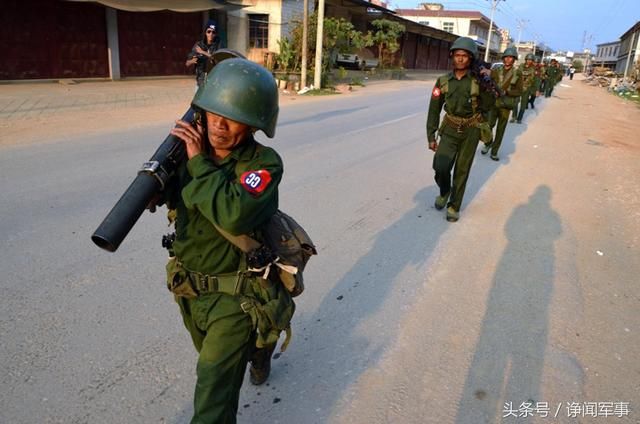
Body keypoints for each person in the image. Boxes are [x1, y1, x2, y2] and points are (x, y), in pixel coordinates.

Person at [159, 58, 294, 423]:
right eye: (213, 113)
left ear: (253, 123)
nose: (219, 125)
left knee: (212, 397)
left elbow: (233, 213)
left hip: (236, 298)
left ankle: (257, 342)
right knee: (212, 362)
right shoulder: (187, 152)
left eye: (232, 117)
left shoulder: (264, 164)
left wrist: (198, 163)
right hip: (190, 290)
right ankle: (257, 348)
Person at [426, 37, 493, 222]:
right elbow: (434, 110)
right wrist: (431, 136)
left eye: (464, 56)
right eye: (457, 55)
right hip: (449, 128)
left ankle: (454, 206)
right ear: (452, 57)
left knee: (462, 171)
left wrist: (488, 83)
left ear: (471, 58)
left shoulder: (479, 81)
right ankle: (445, 191)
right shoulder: (443, 81)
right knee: (440, 165)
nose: (461, 59)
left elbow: (488, 105)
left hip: (470, 130)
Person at [481, 46, 523, 161]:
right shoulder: (497, 70)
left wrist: (507, 91)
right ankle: (488, 143)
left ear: (514, 59)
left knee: (500, 130)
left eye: (511, 57)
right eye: (506, 57)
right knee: (488, 126)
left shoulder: (517, 73)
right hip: (494, 103)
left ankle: (494, 151)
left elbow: (519, 91)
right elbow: (489, 77)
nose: (508, 59)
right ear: (503, 58)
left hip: (506, 105)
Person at [186, 19, 221, 89]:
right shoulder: (198, 45)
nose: (211, 34)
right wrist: (192, 61)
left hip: (213, 83)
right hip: (200, 82)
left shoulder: (218, 46)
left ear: (215, 34)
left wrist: (203, 52)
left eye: (213, 32)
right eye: (209, 31)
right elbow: (187, 63)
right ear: (205, 32)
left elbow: (218, 60)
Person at [514, 53, 538, 123]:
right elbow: (516, 75)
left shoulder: (533, 69)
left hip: (527, 89)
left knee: (523, 104)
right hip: (518, 87)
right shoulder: (521, 66)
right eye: (528, 59)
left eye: (530, 60)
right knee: (515, 102)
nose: (529, 61)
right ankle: (514, 116)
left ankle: (519, 118)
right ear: (526, 60)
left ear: (532, 61)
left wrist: (535, 90)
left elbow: (535, 80)